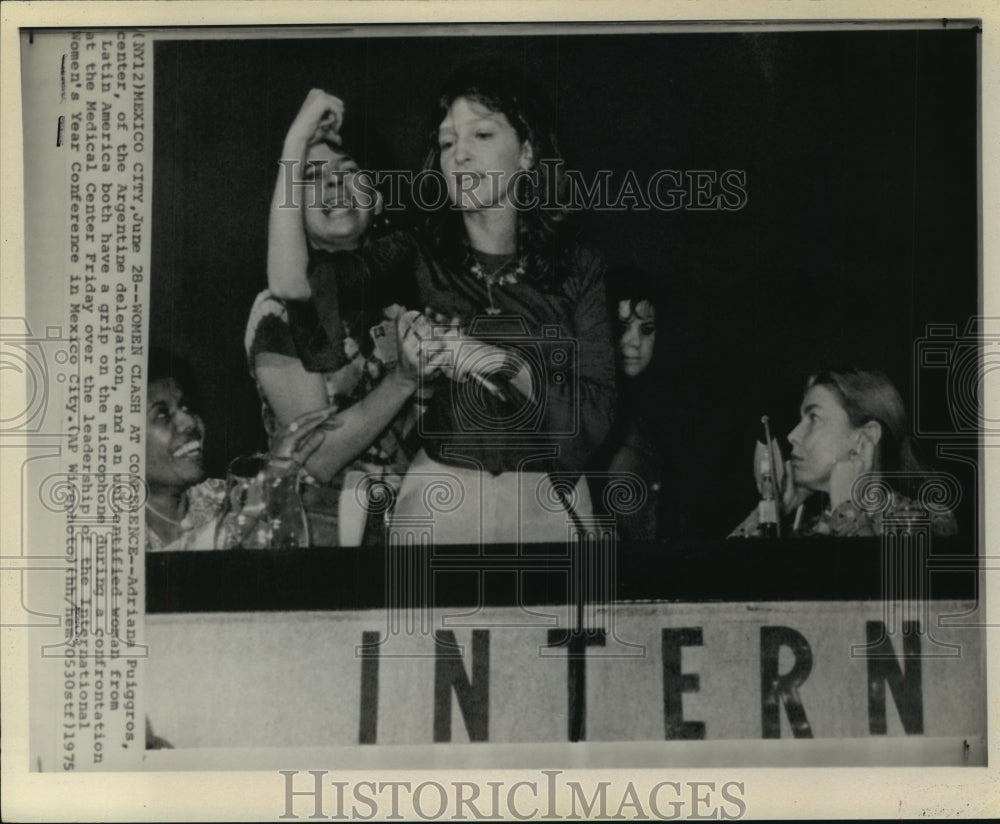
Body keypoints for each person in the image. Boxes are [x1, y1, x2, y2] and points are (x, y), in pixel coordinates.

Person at [268, 65, 617, 544]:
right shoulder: (417, 253)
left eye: (483, 134)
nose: (461, 155)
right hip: (440, 503)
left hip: (548, 502)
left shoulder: (579, 264)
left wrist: (502, 363)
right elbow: (292, 285)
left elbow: (596, 414)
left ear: (528, 154)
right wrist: (296, 140)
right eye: (449, 142)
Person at [246, 90, 438, 545]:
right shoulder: (277, 311)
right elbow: (318, 455)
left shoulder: (415, 289)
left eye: (349, 173)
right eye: (311, 177)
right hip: (320, 539)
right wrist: (404, 381)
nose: (333, 187)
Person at [144, 348, 337, 551]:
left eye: (186, 407)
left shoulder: (221, 496)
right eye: (162, 415)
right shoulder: (115, 526)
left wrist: (289, 475)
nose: (190, 421)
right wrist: (266, 484)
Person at [729, 368, 958, 537]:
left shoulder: (930, 521)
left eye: (814, 418)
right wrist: (770, 515)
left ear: (865, 436)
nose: (793, 435)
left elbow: (876, 591)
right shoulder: (802, 530)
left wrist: (847, 509)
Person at [589, 271, 666, 540]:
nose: (634, 341)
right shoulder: (586, 403)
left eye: (647, 330)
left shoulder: (659, 409)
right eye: (621, 327)